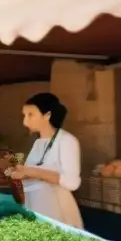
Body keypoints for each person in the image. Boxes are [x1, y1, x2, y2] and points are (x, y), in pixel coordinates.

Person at [10, 92, 83, 228]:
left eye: (30, 115)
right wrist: (19, 173)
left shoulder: (67, 141)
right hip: (34, 210)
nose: (25, 121)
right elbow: (31, 174)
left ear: (47, 115)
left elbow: (72, 183)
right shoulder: (38, 143)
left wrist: (33, 172)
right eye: (24, 116)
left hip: (58, 214)